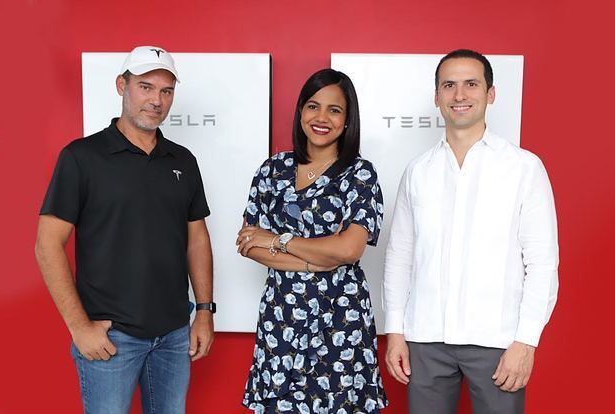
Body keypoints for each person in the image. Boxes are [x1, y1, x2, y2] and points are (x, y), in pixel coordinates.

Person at [35, 45, 215, 414]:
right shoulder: (81, 157)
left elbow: (196, 238)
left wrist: (204, 311)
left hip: (174, 334)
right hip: (111, 336)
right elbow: (47, 245)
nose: (156, 100)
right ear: (122, 85)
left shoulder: (182, 160)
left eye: (166, 91)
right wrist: (79, 326)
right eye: (146, 87)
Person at [383, 49, 559, 414]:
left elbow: (542, 264)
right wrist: (395, 331)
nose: (459, 95)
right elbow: (399, 257)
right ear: (437, 97)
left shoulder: (524, 168)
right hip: (425, 338)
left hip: (497, 341)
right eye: (449, 85)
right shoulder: (418, 172)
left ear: (490, 94)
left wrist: (526, 342)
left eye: (471, 84)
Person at [236, 68, 388, 413]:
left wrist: (279, 239)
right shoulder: (272, 170)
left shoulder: (359, 174)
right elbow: (248, 243)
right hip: (282, 319)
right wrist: (320, 257)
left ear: (348, 120)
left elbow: (349, 249)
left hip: (340, 320)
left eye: (334, 110)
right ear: (300, 111)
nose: (322, 118)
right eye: (313, 106)